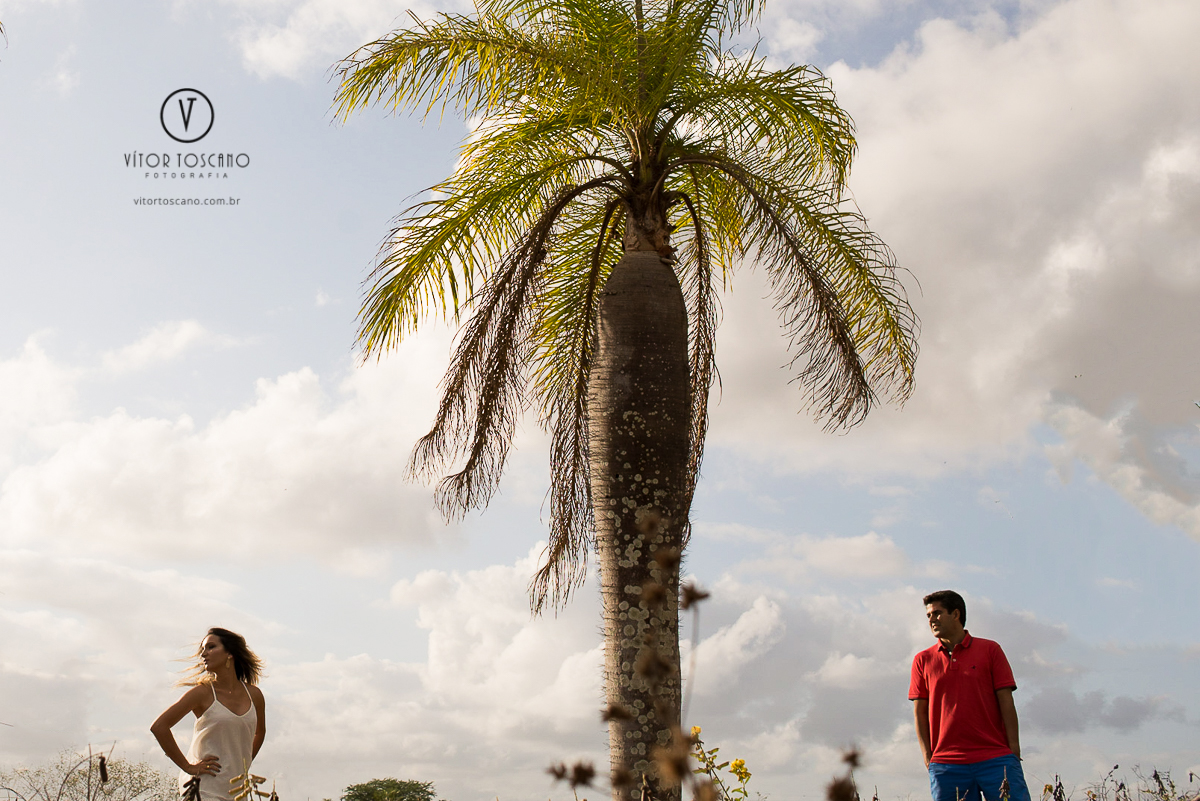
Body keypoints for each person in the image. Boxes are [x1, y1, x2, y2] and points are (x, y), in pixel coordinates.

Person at [910, 590, 1031, 801]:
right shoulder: (922, 660)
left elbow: (1006, 701)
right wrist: (928, 757)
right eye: (928, 615)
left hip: (996, 757)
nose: (931, 620)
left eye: (937, 613)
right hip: (946, 764)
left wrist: (1013, 750)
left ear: (955, 614)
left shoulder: (990, 650)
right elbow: (919, 712)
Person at [152, 628, 267, 801]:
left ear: (230, 653)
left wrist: (244, 763)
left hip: (237, 791)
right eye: (203, 650)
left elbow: (260, 732)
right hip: (204, 789)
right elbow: (159, 727)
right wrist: (188, 767)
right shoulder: (202, 693)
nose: (204, 654)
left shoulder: (254, 695)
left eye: (211, 647)